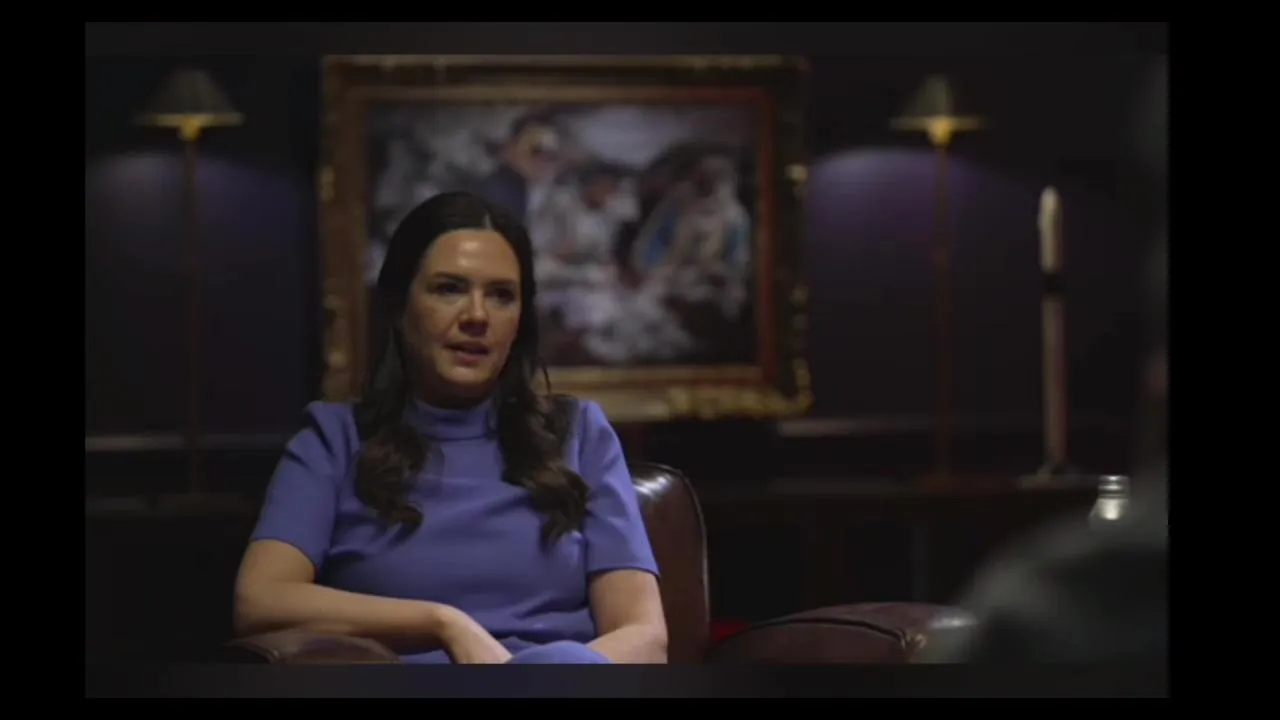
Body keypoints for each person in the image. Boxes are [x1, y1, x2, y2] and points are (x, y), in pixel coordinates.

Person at [232, 191, 668, 664]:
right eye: (449, 289)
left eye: (501, 295)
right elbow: (260, 600)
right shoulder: (334, 440)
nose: (477, 316)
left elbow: (644, 638)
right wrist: (442, 623)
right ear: (400, 306)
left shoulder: (579, 434)